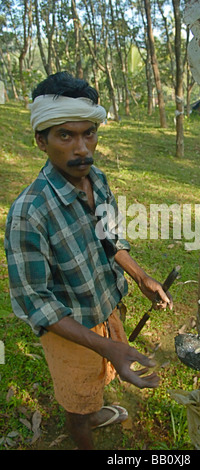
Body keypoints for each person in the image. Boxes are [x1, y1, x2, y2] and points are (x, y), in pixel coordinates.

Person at [4, 72, 172, 450]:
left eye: (89, 133)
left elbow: (110, 237)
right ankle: (84, 430)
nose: (82, 148)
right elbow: (36, 303)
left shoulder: (96, 179)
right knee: (76, 402)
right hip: (70, 331)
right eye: (66, 135)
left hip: (106, 307)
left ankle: (95, 410)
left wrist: (142, 277)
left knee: (100, 380)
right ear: (41, 140)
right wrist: (105, 345)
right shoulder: (29, 213)